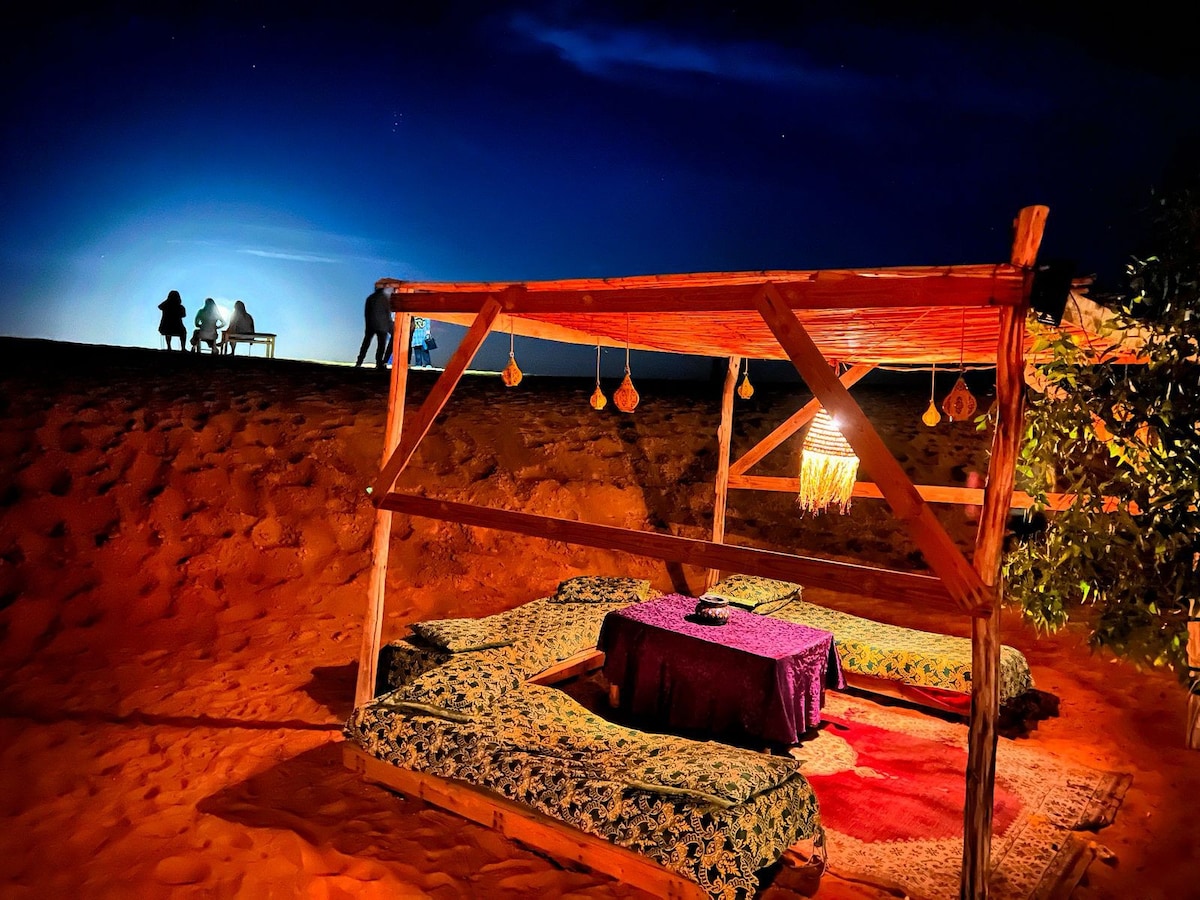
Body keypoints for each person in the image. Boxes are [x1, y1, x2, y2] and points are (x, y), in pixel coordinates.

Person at [355, 286, 393, 368]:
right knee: (381, 345)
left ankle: (359, 361)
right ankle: (379, 363)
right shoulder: (385, 299)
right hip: (382, 326)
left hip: (371, 325)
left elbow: (367, 313)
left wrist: (367, 324)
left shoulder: (370, 298)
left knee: (366, 344)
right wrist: (390, 325)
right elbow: (387, 314)